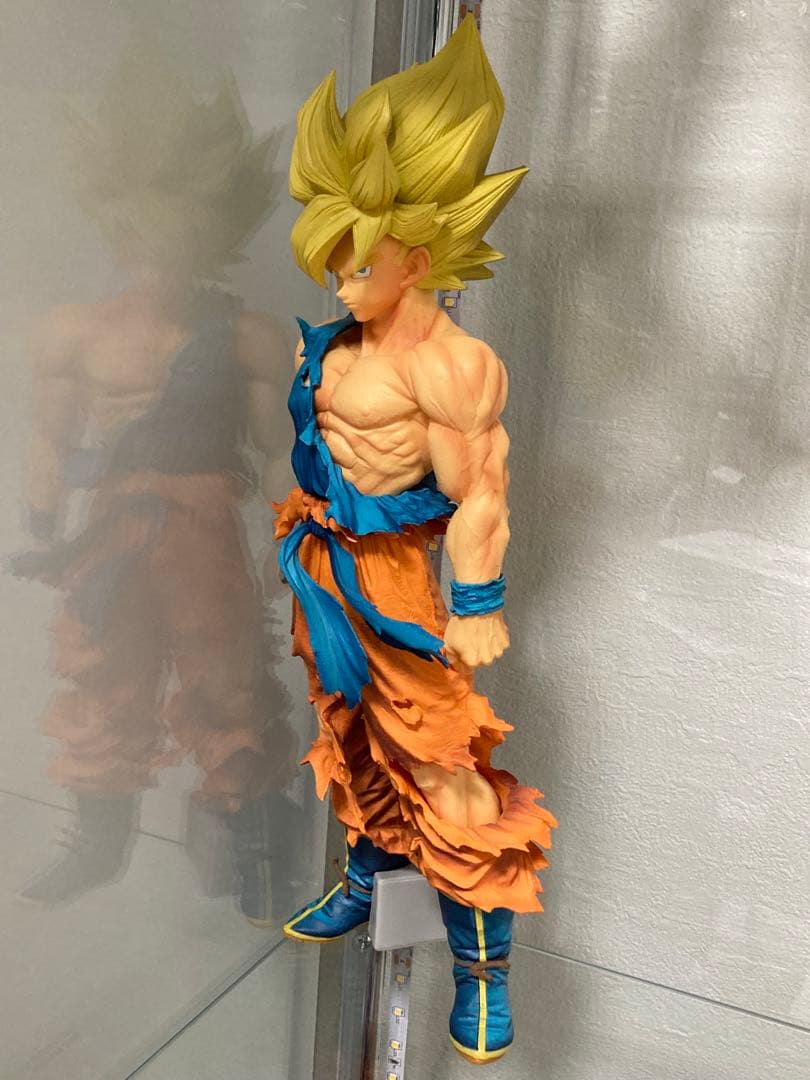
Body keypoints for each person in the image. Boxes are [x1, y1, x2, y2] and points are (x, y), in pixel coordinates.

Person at [275, 16, 557, 1064]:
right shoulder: (334, 343)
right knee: (350, 736)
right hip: (323, 567)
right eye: (331, 261)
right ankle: (366, 876)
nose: (339, 282)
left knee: (443, 761)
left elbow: (482, 491)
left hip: (398, 583)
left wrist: (477, 602)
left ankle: (483, 974)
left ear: (420, 256)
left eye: (357, 263)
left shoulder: (452, 366)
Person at [13, 40, 298, 923]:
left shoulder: (250, 337)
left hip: (205, 536)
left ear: (214, 228)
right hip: (111, 534)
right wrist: (41, 513)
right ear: (116, 223)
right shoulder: (74, 332)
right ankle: (99, 839)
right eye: (143, 228)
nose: (160, 249)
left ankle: (251, 842)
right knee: (106, 674)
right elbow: (50, 433)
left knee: (228, 681)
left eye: (183, 228)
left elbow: (281, 450)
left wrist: (294, 535)